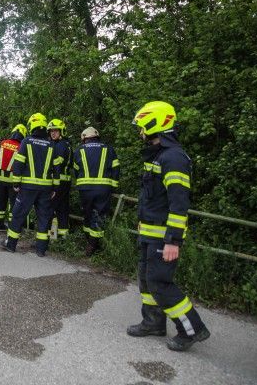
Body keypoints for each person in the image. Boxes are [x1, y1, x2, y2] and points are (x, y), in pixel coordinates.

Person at [127, 101, 210, 352]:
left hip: (164, 235)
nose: (140, 132)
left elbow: (179, 202)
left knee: (160, 283)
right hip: (150, 232)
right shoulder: (159, 154)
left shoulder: (173, 158)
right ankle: (153, 322)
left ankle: (192, 329)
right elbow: (153, 196)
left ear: (154, 124)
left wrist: (173, 240)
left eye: (142, 127)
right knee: (146, 282)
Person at [1, 113, 59, 257]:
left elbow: (19, 163)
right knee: (44, 218)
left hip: (27, 188)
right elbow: (56, 169)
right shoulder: (52, 145)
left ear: (31, 126)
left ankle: (11, 245)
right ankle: (40, 249)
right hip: (45, 189)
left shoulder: (26, 142)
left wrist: (16, 182)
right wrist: (55, 188)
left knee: (18, 215)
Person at [72, 126, 120, 256]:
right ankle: (94, 245)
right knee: (99, 216)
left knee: (87, 213)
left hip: (85, 189)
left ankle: (89, 241)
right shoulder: (109, 149)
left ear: (84, 139)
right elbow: (116, 169)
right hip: (103, 189)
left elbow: (76, 169)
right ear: (97, 137)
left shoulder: (79, 150)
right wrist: (114, 186)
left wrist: (81, 183)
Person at [0, 124, 27, 229]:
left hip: (0, 180)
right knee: (13, 204)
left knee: (1, 202)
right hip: (13, 182)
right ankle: (12, 225)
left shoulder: (2, 143)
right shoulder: (21, 147)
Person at [47, 119, 72, 240]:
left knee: (49, 208)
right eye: (51, 131)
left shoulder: (61, 145)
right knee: (62, 209)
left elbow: (56, 164)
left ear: (62, 131)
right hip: (64, 182)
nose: (53, 133)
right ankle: (63, 237)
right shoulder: (63, 144)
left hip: (58, 182)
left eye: (56, 131)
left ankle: (46, 237)